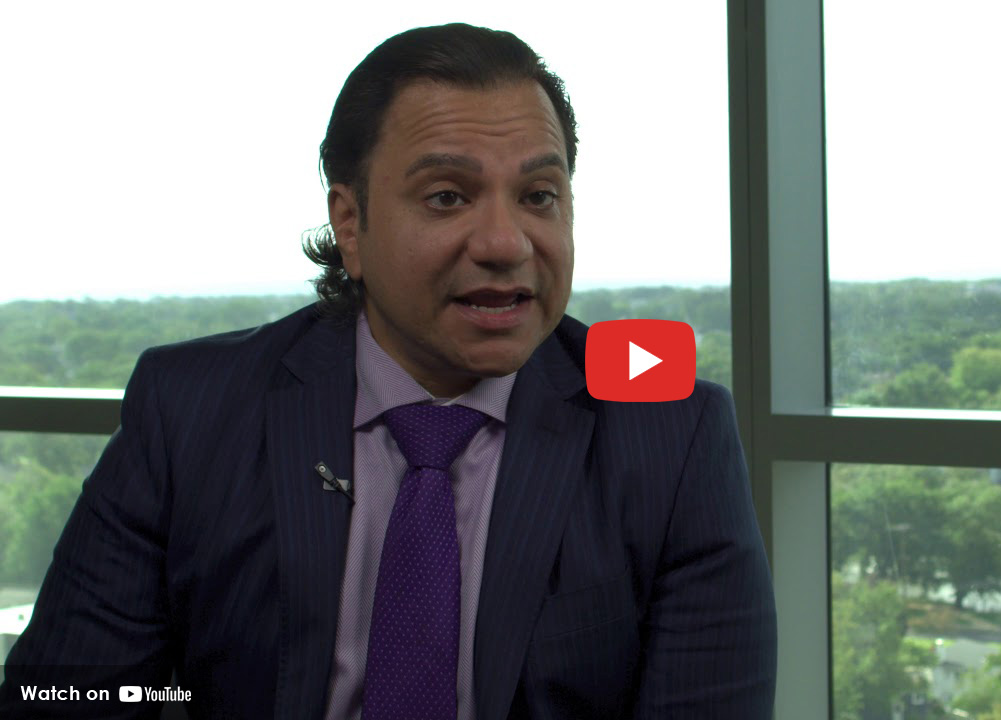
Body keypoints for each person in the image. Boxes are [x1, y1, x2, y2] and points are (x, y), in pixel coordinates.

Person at [0, 23, 776, 720]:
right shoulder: (191, 410)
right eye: (448, 197)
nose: (506, 242)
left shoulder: (670, 432)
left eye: (539, 195)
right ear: (351, 226)